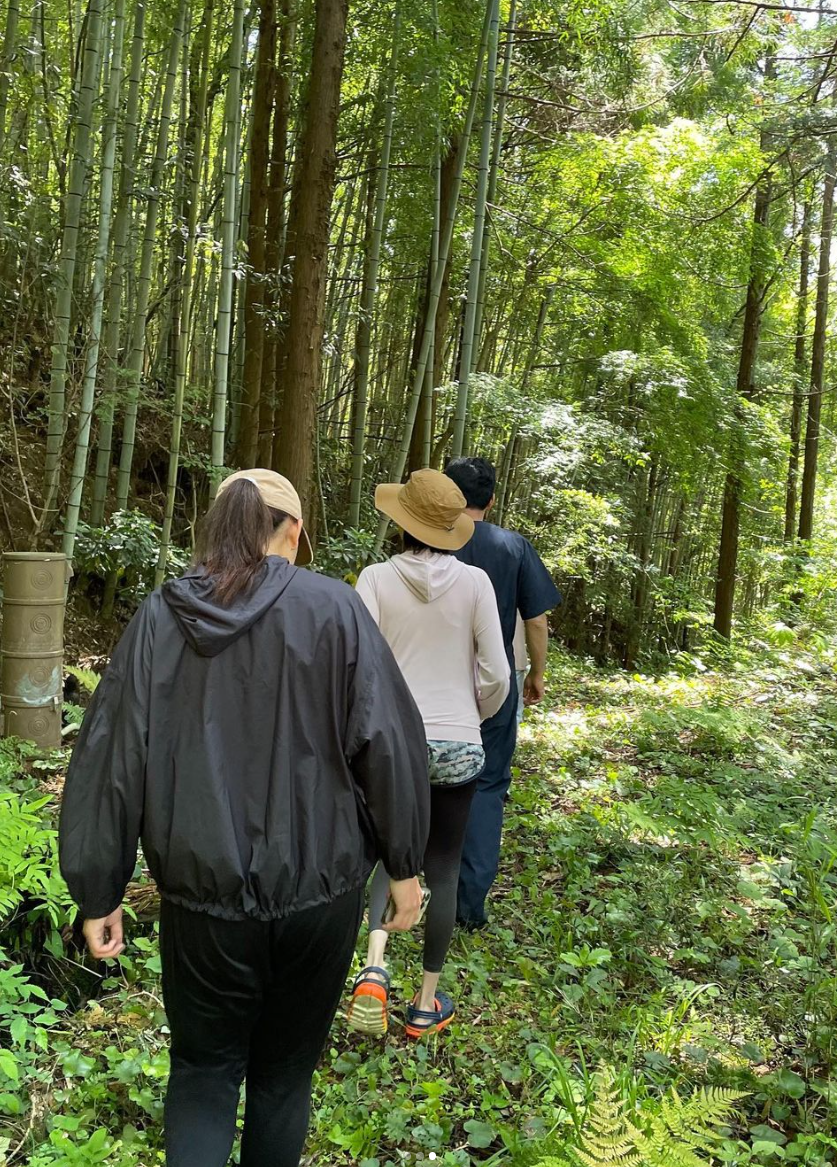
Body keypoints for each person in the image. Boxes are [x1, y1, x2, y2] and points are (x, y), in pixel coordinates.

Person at [59, 469, 430, 1167]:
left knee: (203, 1073)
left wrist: (98, 888)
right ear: (290, 531)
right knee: (283, 1079)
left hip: (204, 901)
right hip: (319, 893)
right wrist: (404, 864)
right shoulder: (335, 609)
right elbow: (386, 743)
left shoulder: (158, 618)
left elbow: (113, 756)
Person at [349, 469, 509, 1038]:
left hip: (391, 744)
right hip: (458, 744)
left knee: (384, 854)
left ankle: (373, 967)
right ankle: (425, 1003)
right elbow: (496, 672)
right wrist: (475, 716)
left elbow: (357, 664)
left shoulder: (373, 579)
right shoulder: (477, 585)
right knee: (442, 866)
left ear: (402, 519)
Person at [444, 457, 561, 930]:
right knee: (488, 785)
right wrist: (536, 671)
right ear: (491, 500)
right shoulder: (513, 547)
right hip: (498, 680)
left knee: (421, 778)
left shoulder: (423, 541)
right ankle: (467, 908)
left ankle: (400, 895)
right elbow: (536, 618)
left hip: (429, 680)